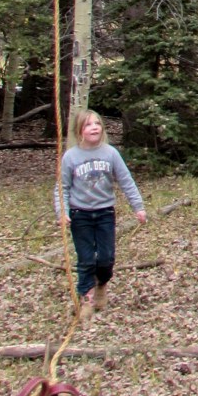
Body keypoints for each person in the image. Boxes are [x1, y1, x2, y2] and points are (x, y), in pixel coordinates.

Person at [56, 110, 147, 322]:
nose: (94, 128)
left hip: (105, 212)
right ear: (80, 130)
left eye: (97, 123)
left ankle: (101, 284)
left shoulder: (110, 153)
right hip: (80, 215)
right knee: (86, 259)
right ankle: (86, 300)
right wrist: (62, 212)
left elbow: (126, 181)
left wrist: (138, 207)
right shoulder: (71, 157)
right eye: (88, 125)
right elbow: (62, 188)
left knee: (106, 259)